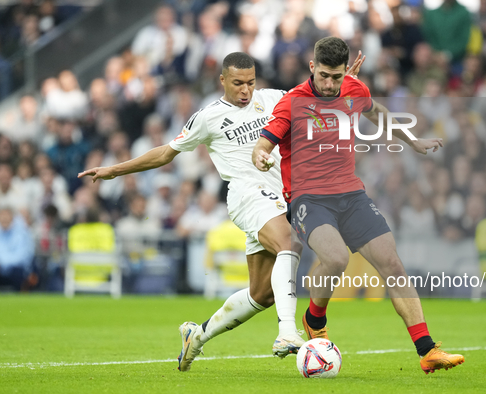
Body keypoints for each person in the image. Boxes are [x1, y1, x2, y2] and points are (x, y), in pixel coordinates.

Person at [78, 51, 365, 372]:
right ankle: (287, 333)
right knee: (291, 244)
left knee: (262, 294)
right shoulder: (208, 116)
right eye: (238, 83)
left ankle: (196, 336)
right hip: (246, 194)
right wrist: (116, 170)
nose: (245, 90)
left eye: (251, 83)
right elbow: (164, 153)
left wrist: (344, 84)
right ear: (223, 81)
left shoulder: (272, 99)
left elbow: (314, 97)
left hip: (280, 197)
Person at [252, 36, 464, 374]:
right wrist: (261, 156)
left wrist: (413, 141)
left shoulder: (353, 88)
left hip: (351, 194)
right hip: (308, 198)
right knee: (336, 259)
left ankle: (427, 350)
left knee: (392, 264)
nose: (330, 84)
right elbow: (263, 143)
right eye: (324, 76)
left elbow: (377, 111)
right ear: (312, 67)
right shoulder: (292, 102)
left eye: (337, 77)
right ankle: (315, 317)